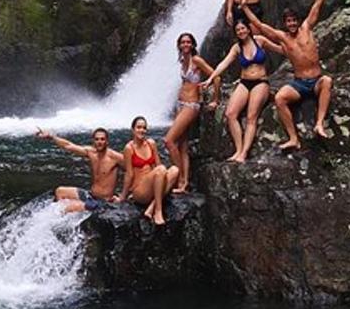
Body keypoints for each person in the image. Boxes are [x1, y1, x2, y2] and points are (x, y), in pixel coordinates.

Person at [238, 0, 338, 150]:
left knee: (327, 81)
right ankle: (293, 138)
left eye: (294, 20)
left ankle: (319, 123)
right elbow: (258, 25)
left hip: (315, 80)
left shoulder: (307, 28)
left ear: (298, 21)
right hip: (299, 83)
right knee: (280, 98)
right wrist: (244, 8)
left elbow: (317, 5)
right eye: (288, 21)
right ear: (285, 24)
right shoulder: (283, 37)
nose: (291, 23)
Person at [200, 20, 284, 163]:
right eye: (238, 30)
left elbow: (280, 49)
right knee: (230, 114)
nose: (241, 32)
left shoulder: (260, 41)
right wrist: (210, 79)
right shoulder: (237, 48)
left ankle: (244, 153)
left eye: (243, 28)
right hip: (244, 82)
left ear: (248, 29)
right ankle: (238, 150)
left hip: (261, 82)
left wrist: (294, 44)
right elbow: (224, 63)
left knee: (251, 117)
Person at [163, 32, 219, 193]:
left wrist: (215, 99)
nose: (185, 45)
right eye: (182, 42)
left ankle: (179, 177)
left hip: (191, 105)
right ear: (179, 45)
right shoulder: (182, 60)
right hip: (181, 104)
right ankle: (185, 182)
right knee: (182, 145)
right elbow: (186, 83)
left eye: (188, 42)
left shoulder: (197, 60)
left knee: (169, 141)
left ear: (193, 44)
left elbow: (216, 77)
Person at [36, 127, 124, 212]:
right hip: (91, 196)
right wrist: (51, 137)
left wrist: (122, 196)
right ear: (93, 141)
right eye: (97, 139)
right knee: (60, 191)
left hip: (103, 202)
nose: (99, 142)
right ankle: (69, 217)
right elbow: (68, 145)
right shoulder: (91, 152)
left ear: (107, 141)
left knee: (67, 208)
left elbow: (132, 172)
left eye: (102, 139)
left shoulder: (115, 157)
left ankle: (66, 218)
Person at [118, 116, 179, 226]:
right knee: (161, 170)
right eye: (139, 127)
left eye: (144, 128)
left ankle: (152, 206)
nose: (142, 130)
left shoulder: (151, 143)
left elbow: (158, 164)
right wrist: (123, 196)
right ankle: (158, 211)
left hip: (154, 186)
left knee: (174, 169)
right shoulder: (129, 148)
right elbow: (129, 174)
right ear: (133, 130)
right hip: (140, 191)